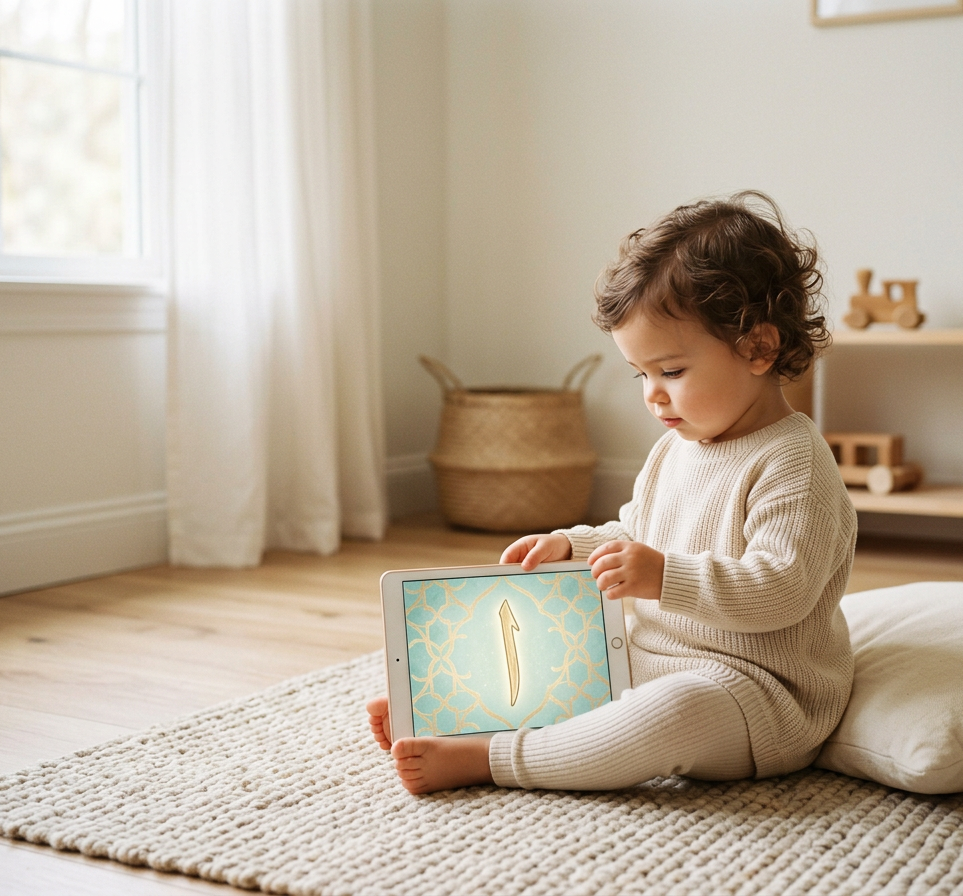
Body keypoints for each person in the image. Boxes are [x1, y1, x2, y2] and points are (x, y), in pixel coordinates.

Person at [367, 191, 856, 794]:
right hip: (649, 658)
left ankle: (491, 758)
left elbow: (782, 591)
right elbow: (636, 535)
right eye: (641, 374)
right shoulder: (676, 447)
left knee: (668, 717)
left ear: (758, 348)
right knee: (553, 659)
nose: (652, 394)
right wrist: (571, 546)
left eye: (671, 372)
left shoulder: (793, 462)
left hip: (755, 690)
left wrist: (662, 577)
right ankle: (450, 715)